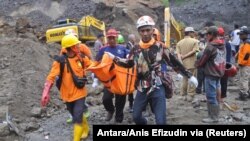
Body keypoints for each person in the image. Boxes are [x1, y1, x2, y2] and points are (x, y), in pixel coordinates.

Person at [106, 15, 198, 125]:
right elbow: (129, 63)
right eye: (142, 30)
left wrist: (189, 75)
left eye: (147, 30)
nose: (145, 33)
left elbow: (173, 61)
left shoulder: (160, 46)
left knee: (160, 121)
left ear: (152, 30)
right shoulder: (135, 49)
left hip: (157, 86)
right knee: (136, 117)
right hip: (142, 87)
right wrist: (114, 58)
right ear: (139, 31)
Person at [41, 34, 92, 141]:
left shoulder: (82, 58)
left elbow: (94, 66)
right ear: (72, 47)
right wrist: (46, 92)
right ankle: (86, 129)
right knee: (75, 114)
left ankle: (76, 139)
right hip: (67, 95)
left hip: (80, 93)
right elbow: (51, 76)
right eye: (76, 45)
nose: (79, 47)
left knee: (77, 115)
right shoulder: (60, 61)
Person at [96, 28, 130, 123]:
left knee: (120, 100)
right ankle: (110, 110)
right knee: (106, 99)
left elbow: (130, 59)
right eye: (109, 38)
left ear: (116, 37)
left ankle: (118, 119)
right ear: (107, 38)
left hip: (120, 79)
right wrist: (95, 76)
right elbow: (97, 62)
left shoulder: (122, 49)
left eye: (113, 38)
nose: (111, 40)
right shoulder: (103, 49)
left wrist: (128, 58)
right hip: (109, 79)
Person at [196, 26, 226, 123]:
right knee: (216, 94)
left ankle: (213, 117)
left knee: (210, 96)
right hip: (218, 73)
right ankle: (215, 114)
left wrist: (197, 64)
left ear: (211, 35)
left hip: (210, 74)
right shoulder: (222, 44)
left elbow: (202, 60)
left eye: (207, 34)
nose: (206, 36)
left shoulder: (210, 47)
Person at [176, 26, 199, 101]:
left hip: (183, 64)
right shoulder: (195, 41)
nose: (193, 34)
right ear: (190, 33)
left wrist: (181, 61)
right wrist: (186, 56)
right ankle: (190, 95)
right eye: (193, 32)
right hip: (192, 64)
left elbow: (178, 54)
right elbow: (195, 51)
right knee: (192, 78)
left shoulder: (179, 43)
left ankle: (183, 95)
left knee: (184, 79)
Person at [235, 27, 250, 101]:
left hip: (245, 65)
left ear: (246, 35)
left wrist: (241, 63)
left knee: (244, 79)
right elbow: (242, 53)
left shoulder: (247, 43)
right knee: (246, 79)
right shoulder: (244, 42)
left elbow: (247, 55)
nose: (240, 36)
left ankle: (243, 95)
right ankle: (247, 93)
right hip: (246, 64)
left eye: (241, 34)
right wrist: (236, 56)